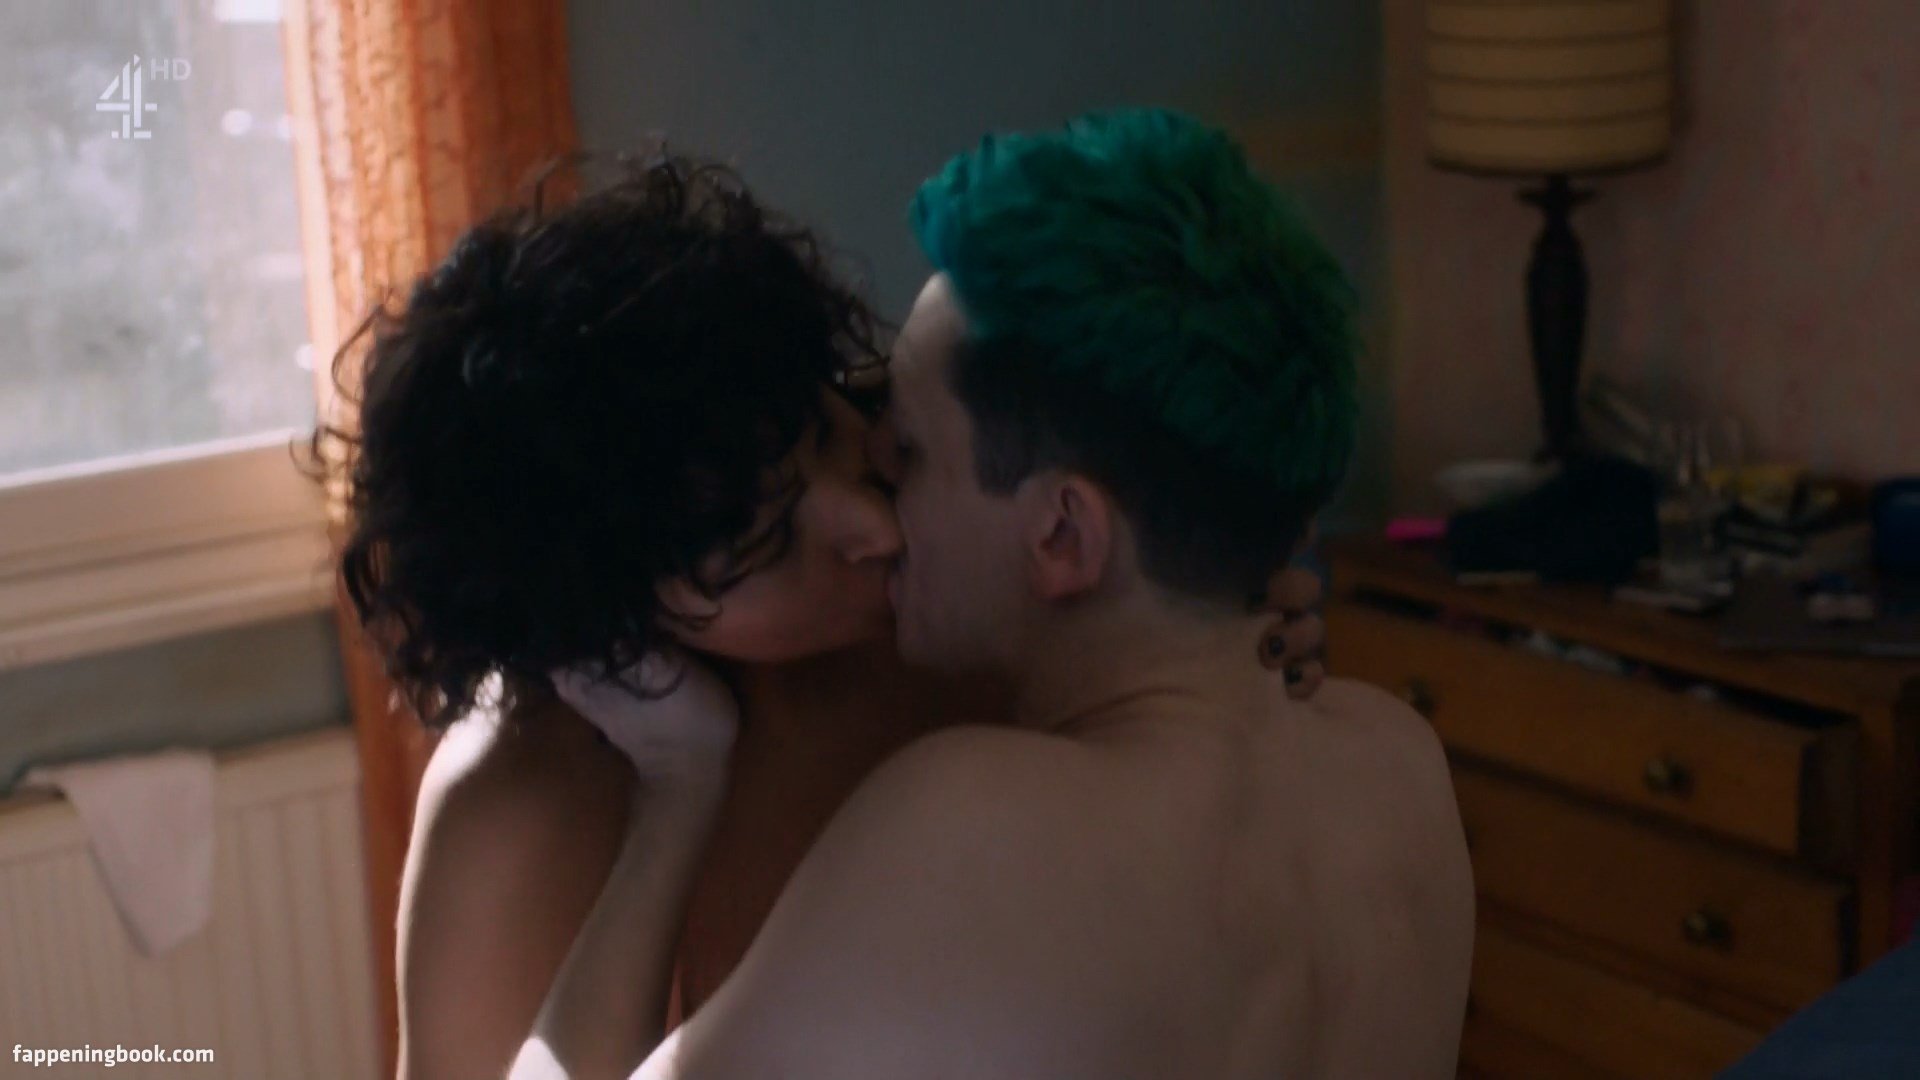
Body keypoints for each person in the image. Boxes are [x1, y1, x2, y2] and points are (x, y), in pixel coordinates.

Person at [318, 152, 1326, 1080]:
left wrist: (1199, 626)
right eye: (762, 547)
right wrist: (676, 803)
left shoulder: (974, 636)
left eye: (832, 428)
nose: (872, 525)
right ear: (609, 625)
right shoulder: (525, 803)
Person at [513, 110, 1474, 1079]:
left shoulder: (972, 823)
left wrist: (677, 785)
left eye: (913, 452)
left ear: (1062, 535)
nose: (879, 494)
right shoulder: (1398, 767)